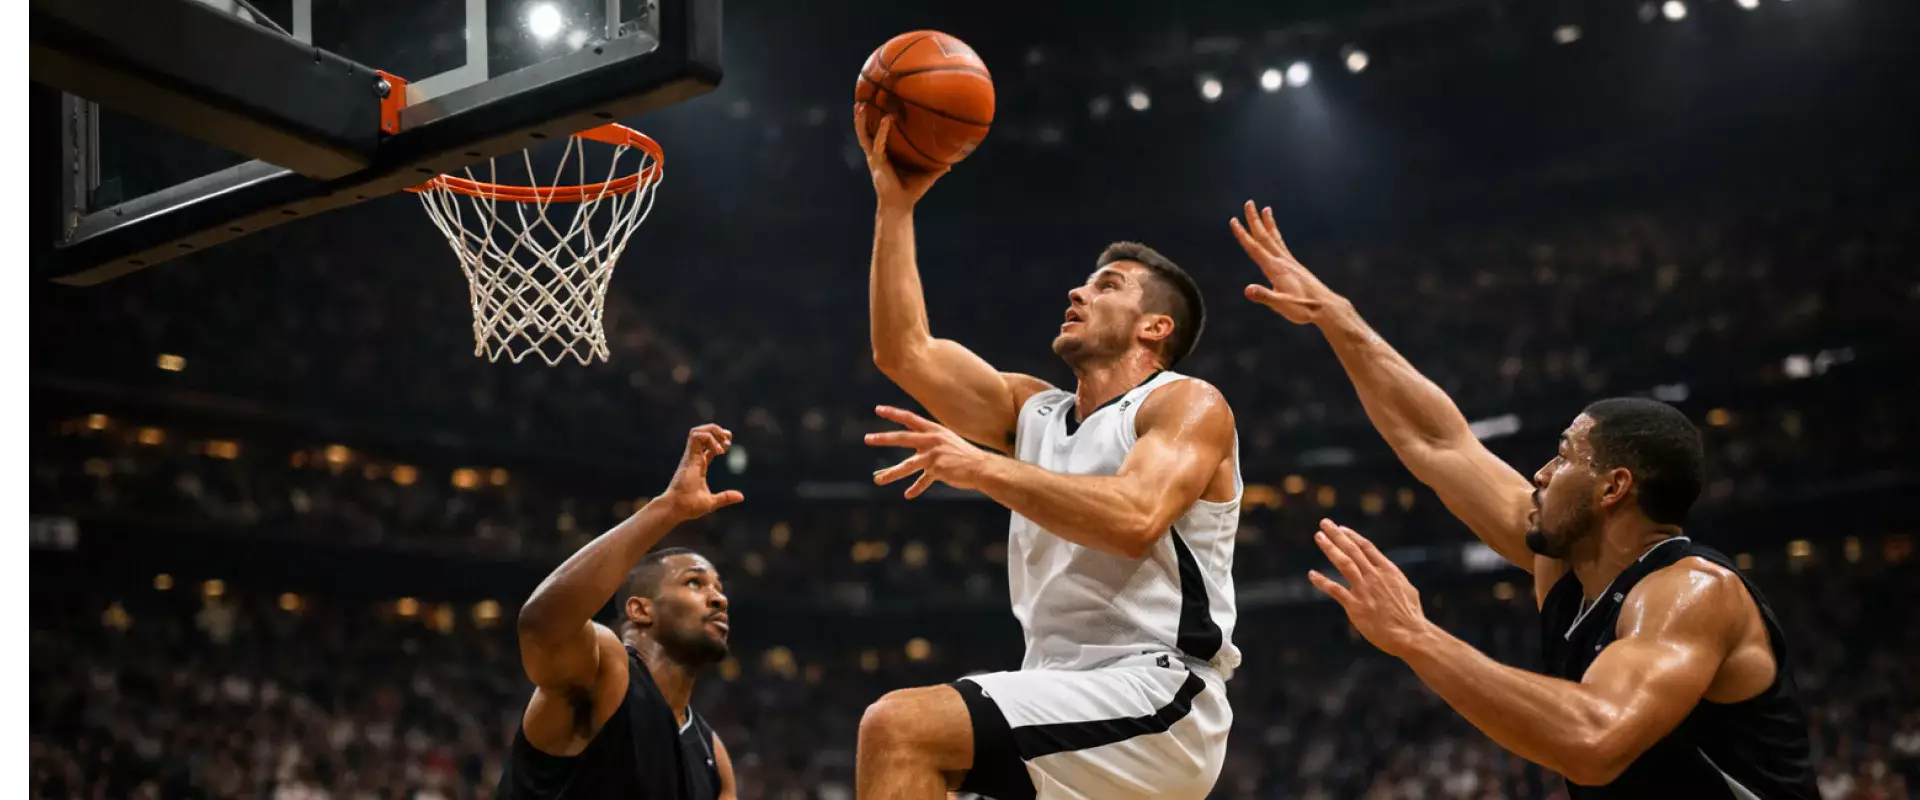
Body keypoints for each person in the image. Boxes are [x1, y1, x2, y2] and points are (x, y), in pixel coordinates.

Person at [1229, 202, 1817, 798]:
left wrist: (1417, 636)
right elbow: (1438, 440)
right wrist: (1338, 316)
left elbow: (1596, 740)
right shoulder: (1565, 561)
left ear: (1613, 488)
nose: (1539, 473)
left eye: (1563, 457)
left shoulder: (1691, 592)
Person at [850, 109, 1240, 800]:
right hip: (1055, 686)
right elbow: (903, 350)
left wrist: (982, 468)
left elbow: (1134, 517)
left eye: (1106, 285)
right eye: (1086, 283)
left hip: (1155, 691)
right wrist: (895, 206)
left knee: (900, 728)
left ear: (1156, 326)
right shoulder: (1034, 410)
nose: (1079, 291)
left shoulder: (1185, 403)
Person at [498, 424, 743, 800]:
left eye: (719, 589)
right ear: (640, 610)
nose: (718, 599)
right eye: (694, 582)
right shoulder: (605, 667)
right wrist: (669, 508)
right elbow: (540, 624)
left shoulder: (712, 753)